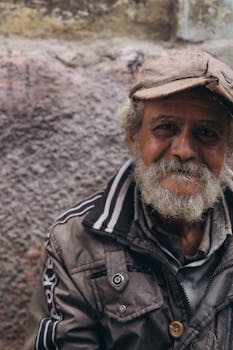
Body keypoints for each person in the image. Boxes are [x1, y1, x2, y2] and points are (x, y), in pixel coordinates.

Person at [23, 49, 233, 350]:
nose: (184, 150)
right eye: (166, 128)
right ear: (133, 137)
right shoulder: (74, 244)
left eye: (206, 132)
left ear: (227, 148)